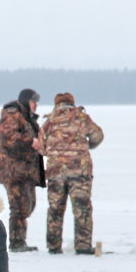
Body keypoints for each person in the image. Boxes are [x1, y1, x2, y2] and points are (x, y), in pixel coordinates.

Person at [36, 92, 104, 254]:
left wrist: (54, 153)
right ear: (72, 103)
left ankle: (53, 246)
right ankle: (83, 246)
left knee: (55, 208)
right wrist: (87, 146)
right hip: (80, 171)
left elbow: (41, 147)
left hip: (55, 172)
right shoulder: (81, 117)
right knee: (82, 208)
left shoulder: (49, 121)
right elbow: (98, 135)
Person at [0, 88, 46, 252]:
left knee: (29, 205)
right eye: (33, 101)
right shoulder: (12, 114)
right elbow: (9, 137)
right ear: (26, 101)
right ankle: (16, 242)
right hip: (12, 171)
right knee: (18, 207)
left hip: (26, 172)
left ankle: (20, 240)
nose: (36, 105)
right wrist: (31, 142)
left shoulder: (27, 118)